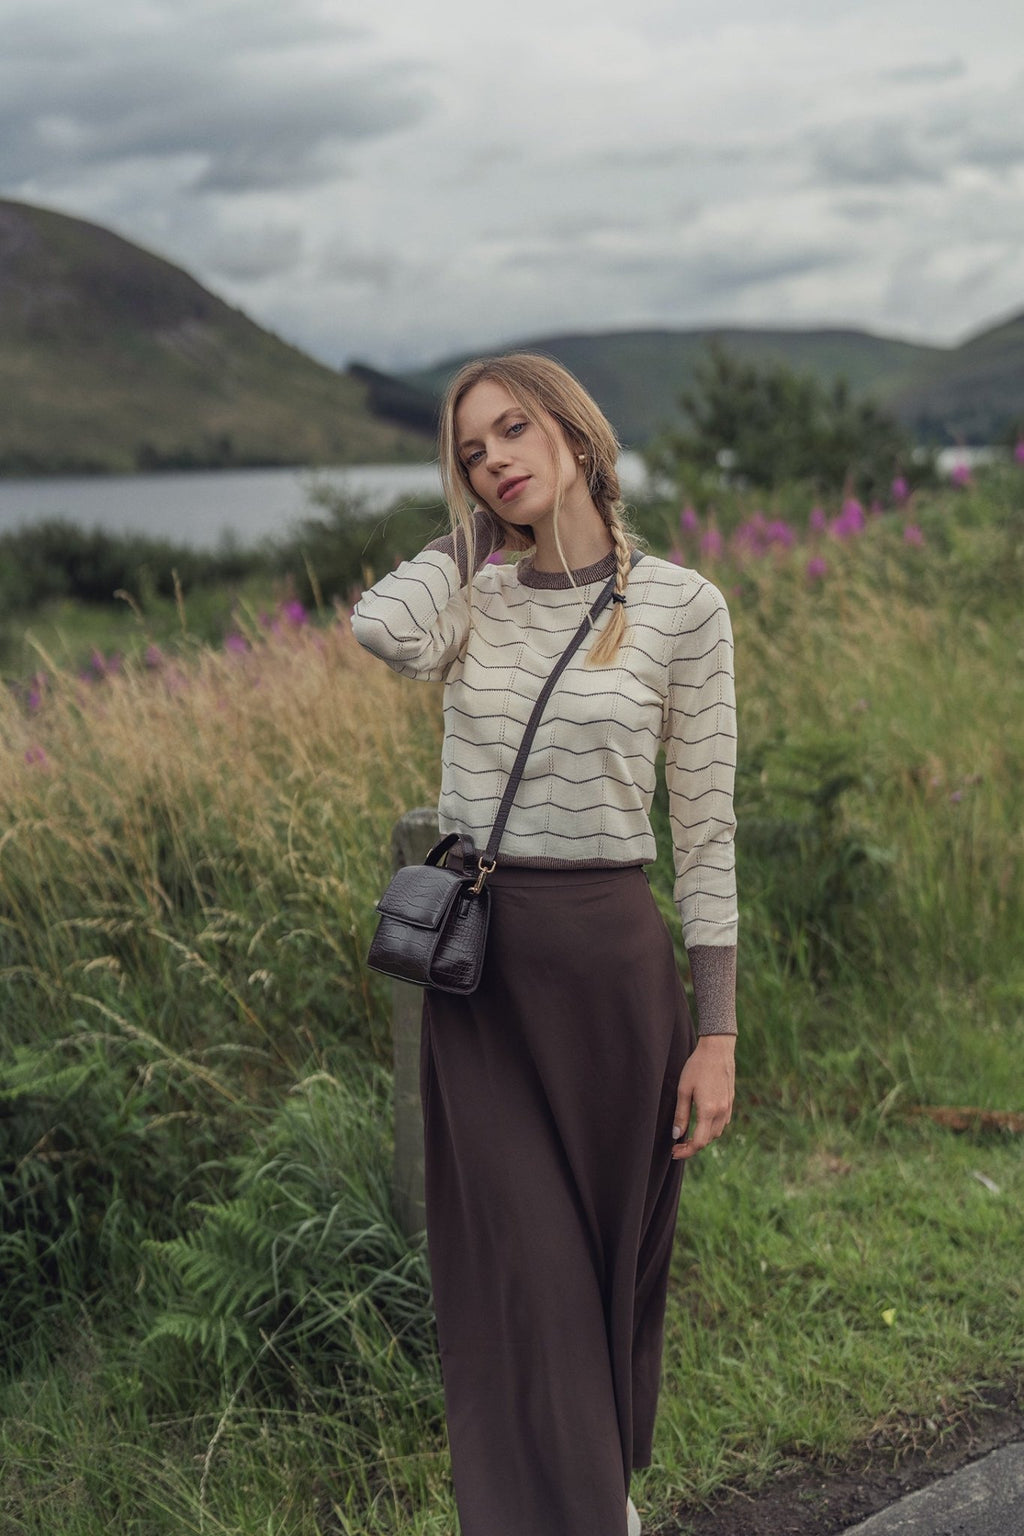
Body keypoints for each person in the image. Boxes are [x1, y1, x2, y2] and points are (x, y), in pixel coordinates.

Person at [351, 353, 738, 1536]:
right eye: (472, 451)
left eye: (515, 430)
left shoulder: (684, 606)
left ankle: (594, 1501)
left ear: (574, 429)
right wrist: (473, 533)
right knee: (530, 1279)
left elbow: (707, 827)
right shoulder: (474, 597)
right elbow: (378, 626)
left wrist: (716, 1029)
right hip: (484, 982)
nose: (497, 458)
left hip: (616, 977)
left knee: (613, 1277)